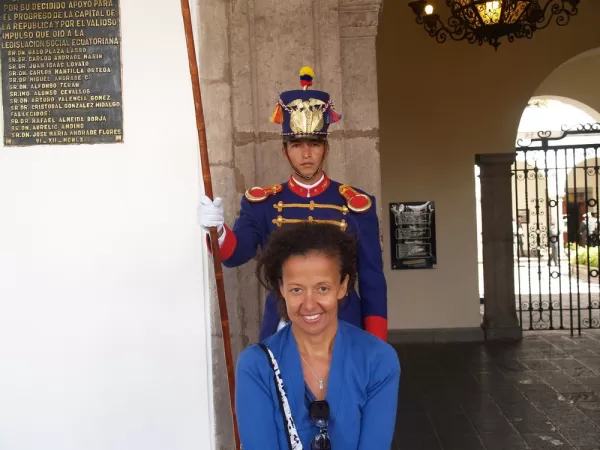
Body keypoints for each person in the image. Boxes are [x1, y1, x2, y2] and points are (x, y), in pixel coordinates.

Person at [197, 66, 388, 341]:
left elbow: (373, 284)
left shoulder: (358, 205)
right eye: (297, 145)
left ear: (327, 147)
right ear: (284, 150)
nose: (307, 154)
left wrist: (376, 347)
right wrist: (217, 229)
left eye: (315, 143)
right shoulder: (262, 204)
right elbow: (233, 255)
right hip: (283, 328)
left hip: (345, 331)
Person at [235, 223, 400, 449]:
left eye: (323, 288)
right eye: (296, 289)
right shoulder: (255, 366)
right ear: (281, 289)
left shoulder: (378, 360)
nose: (309, 304)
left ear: (343, 286)